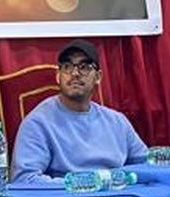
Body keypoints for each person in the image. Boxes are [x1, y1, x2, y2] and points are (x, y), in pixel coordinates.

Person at [11, 39, 149, 182]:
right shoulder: (37, 123)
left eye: (84, 67)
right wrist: (84, 184)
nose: (75, 73)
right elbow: (24, 179)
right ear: (58, 76)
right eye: (67, 66)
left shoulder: (117, 122)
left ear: (98, 77)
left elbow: (146, 165)